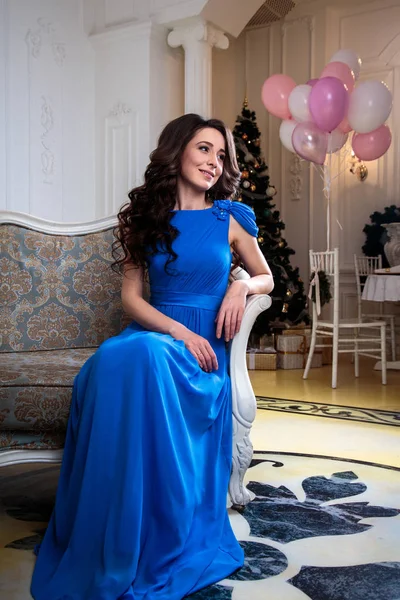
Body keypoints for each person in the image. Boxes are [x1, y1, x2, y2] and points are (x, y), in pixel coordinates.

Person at [30, 113, 274, 600]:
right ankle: (116, 528)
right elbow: (132, 300)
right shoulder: (148, 219)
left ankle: (154, 527)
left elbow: (267, 277)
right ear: (178, 150)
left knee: (140, 356)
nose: (213, 162)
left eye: (221, 155)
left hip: (202, 357)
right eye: (205, 149)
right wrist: (179, 333)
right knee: (125, 357)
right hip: (159, 336)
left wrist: (242, 284)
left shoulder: (230, 218)